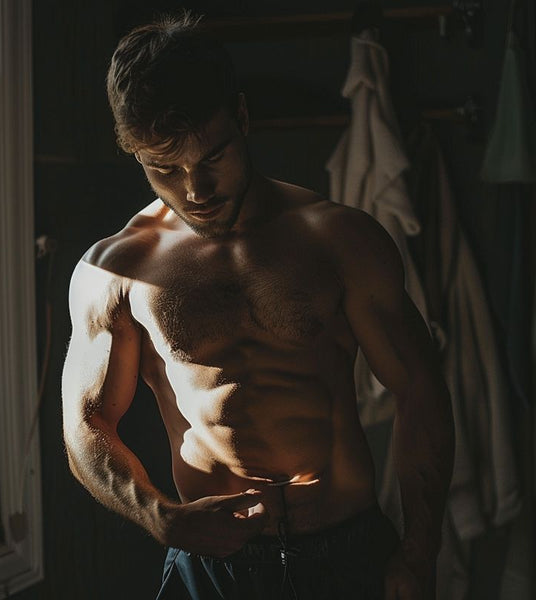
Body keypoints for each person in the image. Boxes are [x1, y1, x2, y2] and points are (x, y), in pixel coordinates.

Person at [61, 11, 455, 600]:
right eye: (163, 169)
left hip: (346, 550)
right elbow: (85, 423)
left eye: (212, 158)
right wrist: (158, 516)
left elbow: (419, 387)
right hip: (211, 566)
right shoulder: (116, 269)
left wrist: (419, 552)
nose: (195, 190)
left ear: (242, 118)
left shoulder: (339, 240)